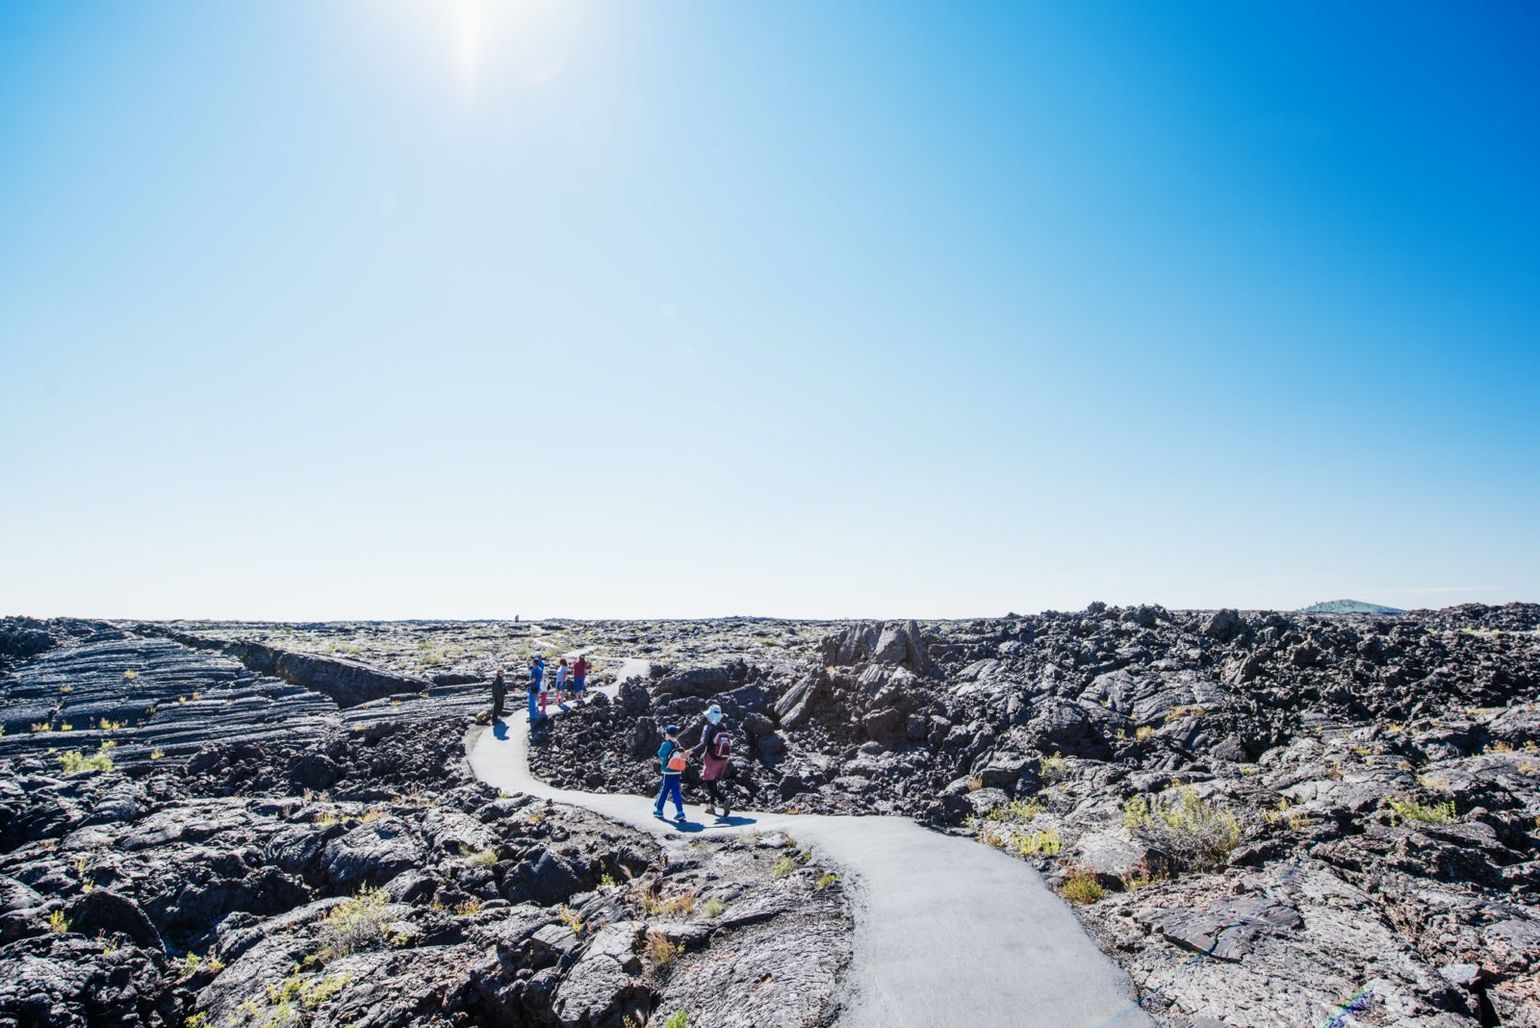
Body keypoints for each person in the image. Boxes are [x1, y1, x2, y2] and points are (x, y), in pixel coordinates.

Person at [694, 704, 736, 818]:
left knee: (710, 784)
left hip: (711, 758)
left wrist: (691, 752)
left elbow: (703, 744)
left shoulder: (708, 727)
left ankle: (724, 800)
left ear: (710, 716)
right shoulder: (723, 727)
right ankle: (711, 806)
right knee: (714, 782)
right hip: (722, 759)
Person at [653, 724, 688, 822]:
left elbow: (660, 754)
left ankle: (659, 810)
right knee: (676, 792)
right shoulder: (678, 744)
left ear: (667, 734)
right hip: (677, 771)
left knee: (664, 791)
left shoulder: (666, 744)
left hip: (668, 771)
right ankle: (680, 812)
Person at [527, 653, 545, 723]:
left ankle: (532, 717)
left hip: (533, 686)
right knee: (535, 700)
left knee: (531, 702)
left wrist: (527, 683)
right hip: (537, 686)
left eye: (532, 662)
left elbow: (533, 680)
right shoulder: (540, 669)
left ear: (534, 663)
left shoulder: (534, 670)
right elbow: (541, 678)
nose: (531, 663)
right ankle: (534, 715)